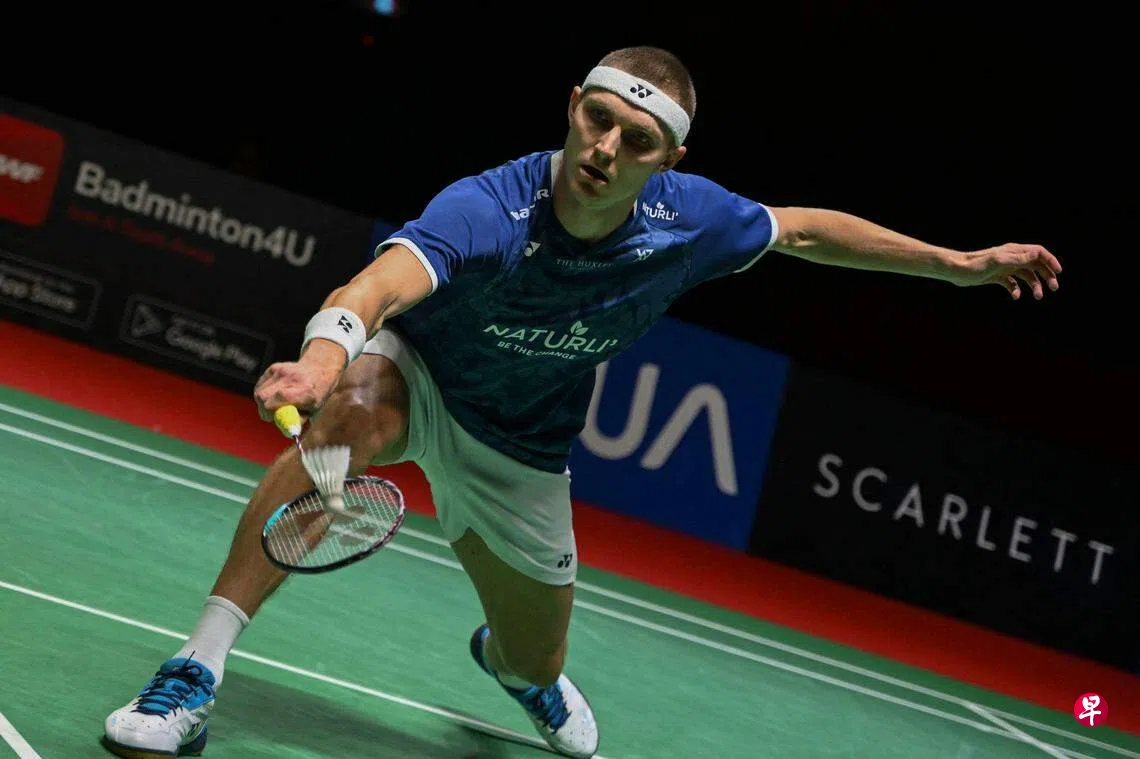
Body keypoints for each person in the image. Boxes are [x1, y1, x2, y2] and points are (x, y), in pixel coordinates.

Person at [101, 45, 1061, 759]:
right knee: (345, 416)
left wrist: (955, 264)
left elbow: (804, 230)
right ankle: (194, 670)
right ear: (573, 106)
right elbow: (377, 288)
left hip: (525, 443)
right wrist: (319, 364)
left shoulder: (690, 222)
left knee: (534, 655)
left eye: (636, 140)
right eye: (596, 119)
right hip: (419, 378)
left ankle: (515, 666)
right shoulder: (490, 207)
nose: (606, 147)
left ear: (667, 159)